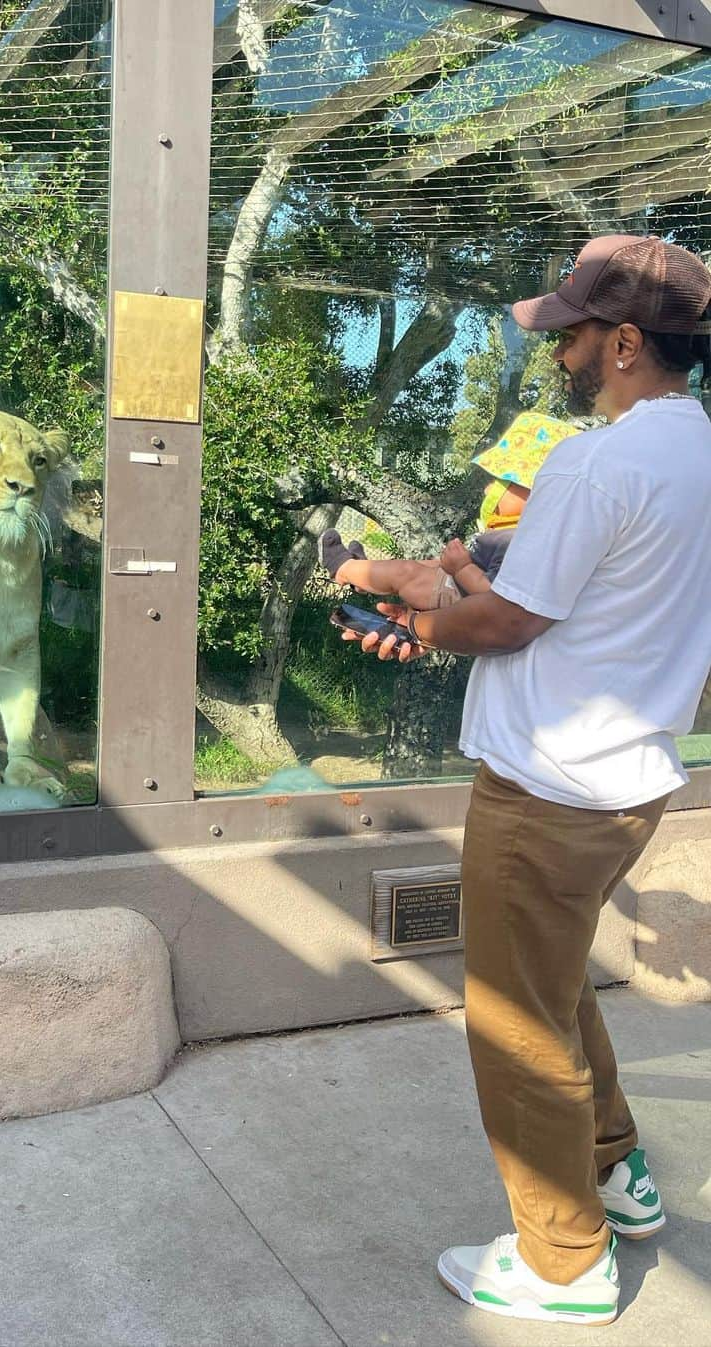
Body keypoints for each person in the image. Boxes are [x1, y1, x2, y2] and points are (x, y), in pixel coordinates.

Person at [344, 234, 711, 1326]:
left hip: (548, 789)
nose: (560, 353)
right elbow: (571, 598)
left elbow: (508, 622)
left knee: (516, 1024)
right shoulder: (693, 453)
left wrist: (412, 615)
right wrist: (449, 578)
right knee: (552, 992)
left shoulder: (599, 460)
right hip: (629, 781)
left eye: (576, 335)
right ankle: (618, 1174)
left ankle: (565, 1262)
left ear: (629, 343)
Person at [319, 412, 574, 608]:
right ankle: (364, 573)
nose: (489, 490)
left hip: (451, 593)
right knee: (424, 564)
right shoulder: (518, 534)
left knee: (406, 572)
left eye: (504, 481)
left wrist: (462, 568)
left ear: (540, 494)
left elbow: (495, 597)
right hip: (453, 583)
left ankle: (342, 567)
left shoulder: (520, 541)